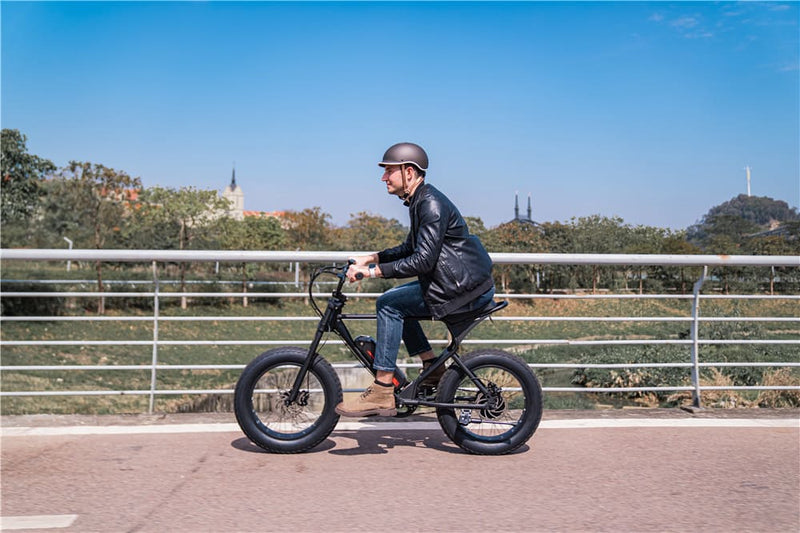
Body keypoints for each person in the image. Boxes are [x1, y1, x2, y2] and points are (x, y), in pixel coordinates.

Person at [335, 142, 495, 417]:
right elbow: (410, 247)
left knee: (389, 305)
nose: (383, 177)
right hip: (455, 283)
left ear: (408, 172)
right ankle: (432, 367)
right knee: (395, 301)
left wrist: (370, 273)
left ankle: (383, 388)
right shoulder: (420, 200)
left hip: (461, 289)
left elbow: (422, 261)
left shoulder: (430, 204)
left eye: (389, 171)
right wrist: (370, 258)